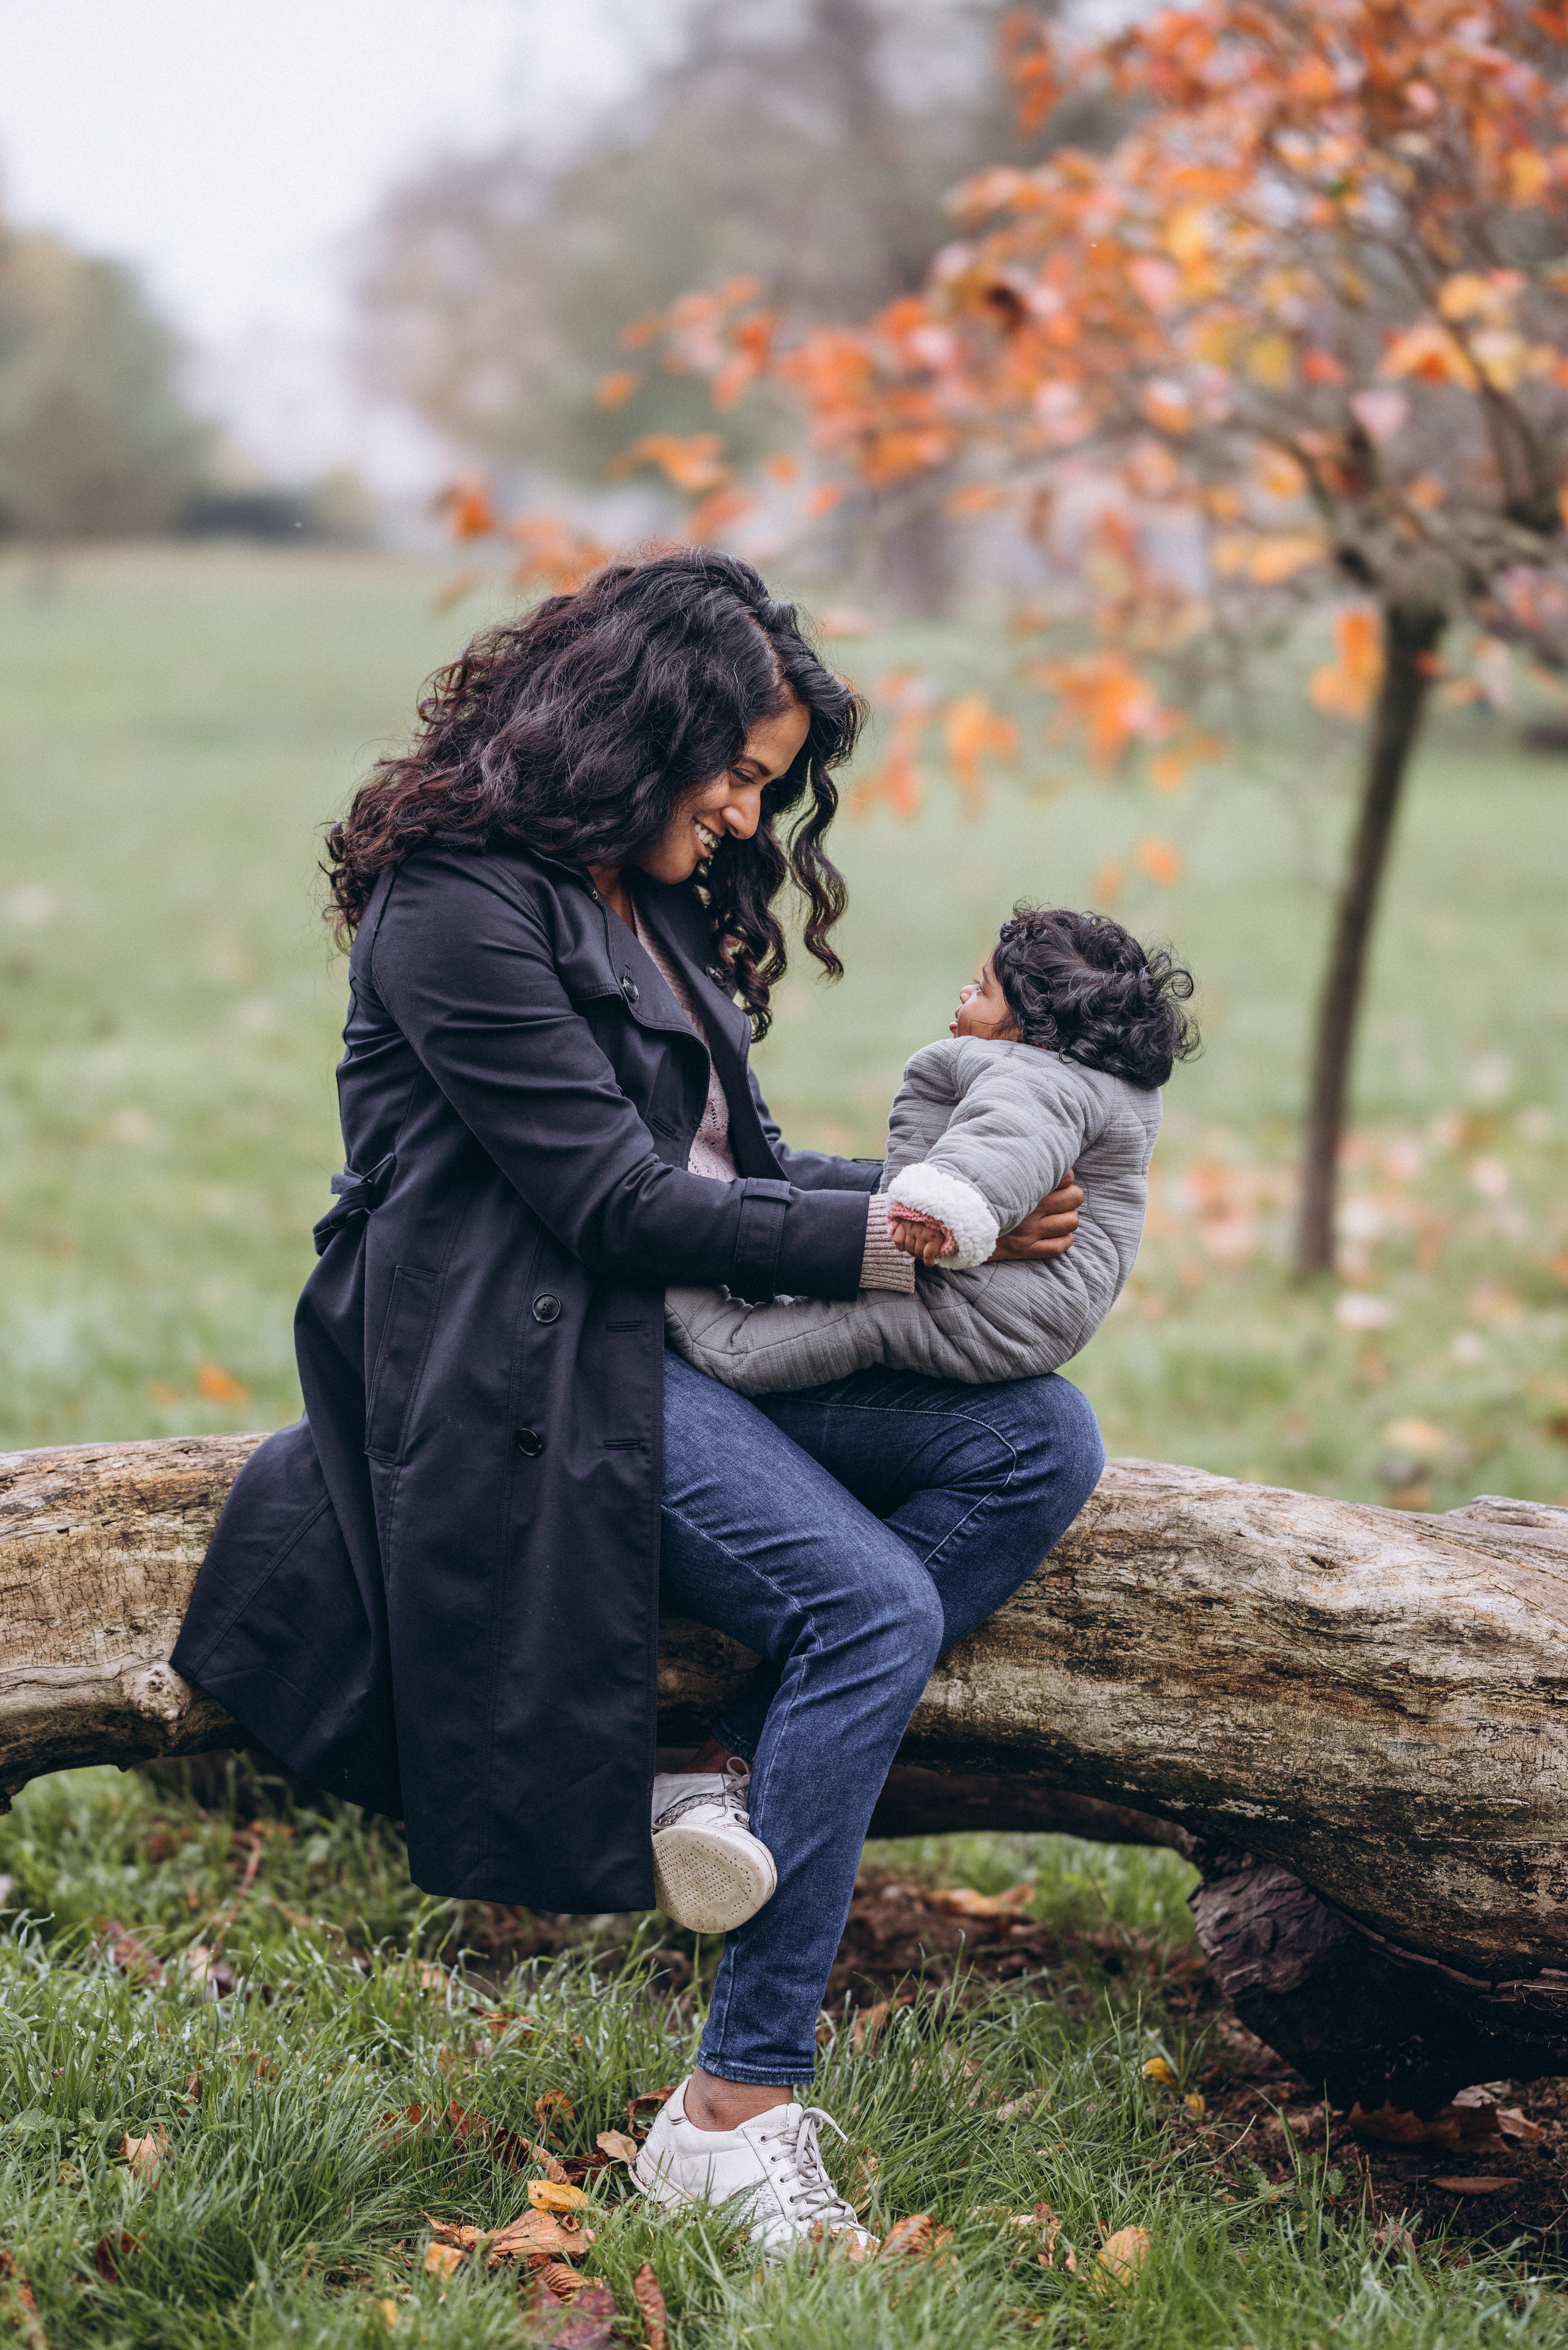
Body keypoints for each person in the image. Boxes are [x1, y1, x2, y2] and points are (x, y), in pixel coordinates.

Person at [170, 548, 1102, 2256]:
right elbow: (607, 1202)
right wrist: (895, 1241)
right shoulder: (457, 905)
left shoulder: (643, 894)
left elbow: (722, 1171)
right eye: (735, 771)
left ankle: (732, 1789)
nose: (752, 817)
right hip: (517, 1362)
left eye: (768, 781)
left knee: (1039, 1438)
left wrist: (951, 1208)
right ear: (631, 727)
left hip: (668, 1341)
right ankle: (735, 2112)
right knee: (868, 1599)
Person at [663, 906, 1196, 1399]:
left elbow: (1003, 1142)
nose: (965, 993)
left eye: (983, 990)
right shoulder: (1090, 1081)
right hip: (1027, 1307)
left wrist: (941, 1207)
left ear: (1035, 1030)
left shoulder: (1038, 1080)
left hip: (989, 1302)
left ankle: (724, 1340)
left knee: (864, 1319)